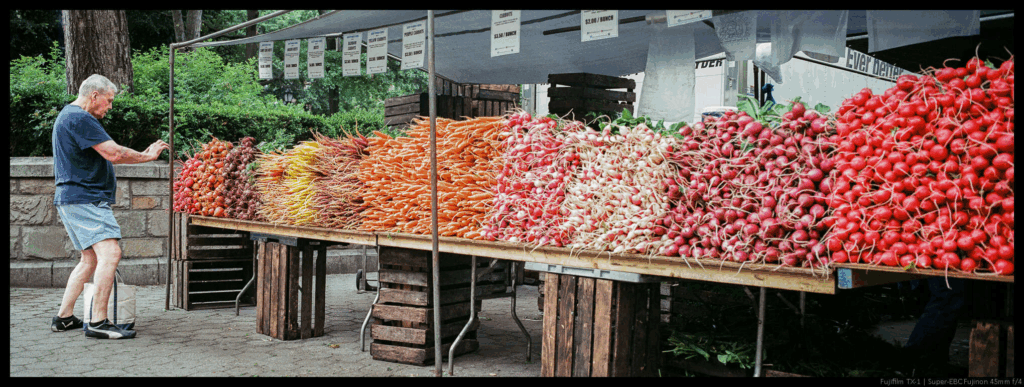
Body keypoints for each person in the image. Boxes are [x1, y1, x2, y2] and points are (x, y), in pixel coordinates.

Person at [50, 74, 169, 339]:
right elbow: (114, 153)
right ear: (95, 95)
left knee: (89, 259)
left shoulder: (68, 116)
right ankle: (98, 322)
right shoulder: (80, 118)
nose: (110, 107)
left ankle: (64, 318)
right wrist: (148, 156)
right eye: (109, 100)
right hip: (85, 198)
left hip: (72, 198)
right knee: (111, 253)